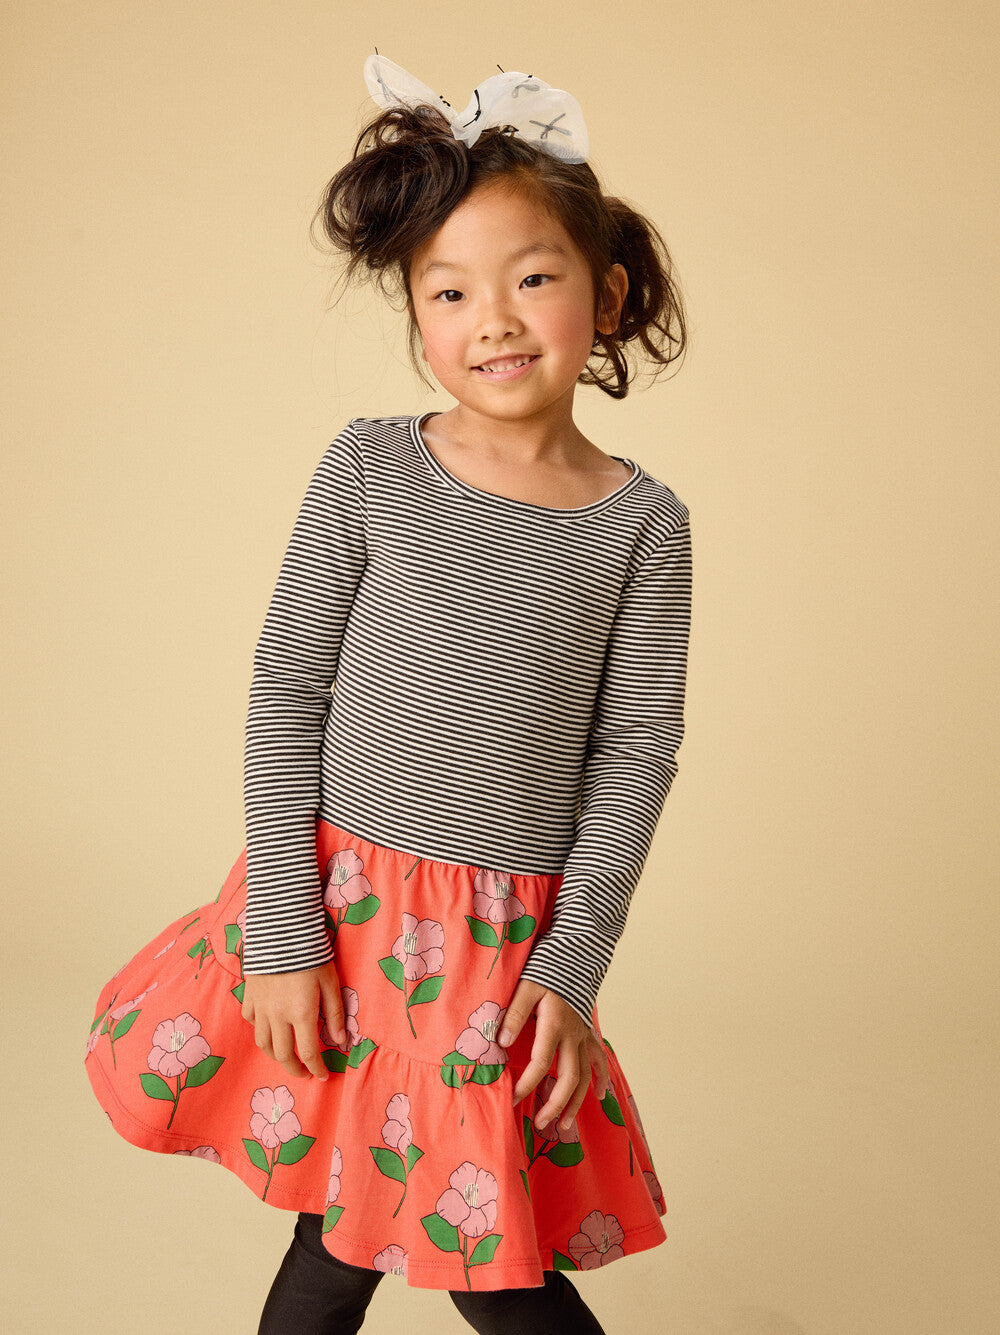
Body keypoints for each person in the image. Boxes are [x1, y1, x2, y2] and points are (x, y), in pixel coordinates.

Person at [84, 54, 693, 1334]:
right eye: (450, 290)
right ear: (416, 312)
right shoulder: (369, 469)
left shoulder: (642, 523)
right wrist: (287, 938)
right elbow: (287, 690)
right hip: (339, 913)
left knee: (481, 1255)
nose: (497, 318)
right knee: (345, 1236)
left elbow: (635, 750)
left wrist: (572, 962)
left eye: (534, 278)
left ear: (607, 292)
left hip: (489, 952)